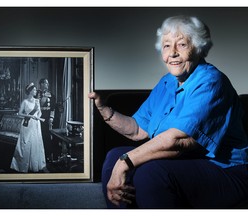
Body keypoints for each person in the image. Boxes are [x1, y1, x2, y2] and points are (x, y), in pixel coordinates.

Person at [88, 15, 248, 208]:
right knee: (114, 156)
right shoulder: (167, 82)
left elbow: (178, 141)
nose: (172, 53)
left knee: (151, 172)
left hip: (228, 170)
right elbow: (138, 130)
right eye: (166, 46)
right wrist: (105, 110)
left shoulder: (211, 82)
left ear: (198, 48)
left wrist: (125, 163)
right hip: (190, 161)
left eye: (181, 45)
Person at [10, 83, 48, 173]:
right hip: (27, 124)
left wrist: (38, 116)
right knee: (26, 143)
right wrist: (30, 116)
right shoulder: (25, 102)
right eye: (34, 90)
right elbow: (19, 113)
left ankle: (37, 165)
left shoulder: (37, 101)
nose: (36, 91)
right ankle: (22, 166)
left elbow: (40, 113)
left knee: (36, 143)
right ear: (30, 91)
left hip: (36, 124)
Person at [35, 78, 57, 162]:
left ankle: (47, 155)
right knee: (37, 135)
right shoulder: (35, 93)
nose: (47, 85)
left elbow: (53, 108)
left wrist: (51, 118)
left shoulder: (51, 95)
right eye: (46, 83)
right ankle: (37, 155)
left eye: (48, 83)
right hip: (38, 116)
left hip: (47, 117)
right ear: (41, 84)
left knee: (46, 136)